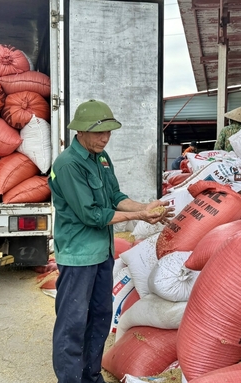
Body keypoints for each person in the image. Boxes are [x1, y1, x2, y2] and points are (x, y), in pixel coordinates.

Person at [47, 99, 173, 383]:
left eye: (109, 132)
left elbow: (115, 197)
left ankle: (91, 376)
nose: (105, 138)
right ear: (80, 131)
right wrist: (140, 215)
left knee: (101, 315)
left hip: (102, 252)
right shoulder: (68, 165)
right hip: (78, 255)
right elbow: (91, 215)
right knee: (73, 322)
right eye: (98, 132)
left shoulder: (101, 158)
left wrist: (146, 207)